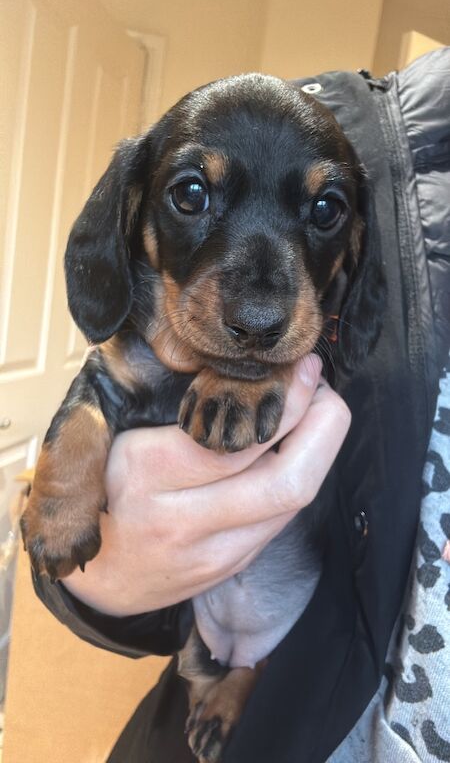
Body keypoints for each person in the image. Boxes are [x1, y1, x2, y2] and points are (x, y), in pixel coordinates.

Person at [32, 48, 450, 762]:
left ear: (350, 244)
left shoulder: (345, 280)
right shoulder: (387, 131)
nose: (259, 309)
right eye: (192, 197)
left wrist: (261, 379)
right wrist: (92, 582)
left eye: (322, 211)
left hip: (306, 676)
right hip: (199, 649)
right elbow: (97, 398)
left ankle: (237, 684)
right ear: (135, 210)